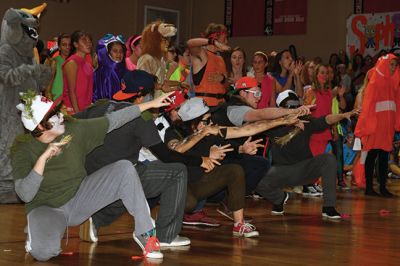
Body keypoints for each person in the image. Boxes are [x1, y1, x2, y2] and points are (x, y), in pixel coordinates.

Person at [11, 90, 174, 261]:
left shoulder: (74, 129)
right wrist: (43, 159)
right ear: (40, 127)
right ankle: (36, 230)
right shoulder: (23, 147)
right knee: (44, 253)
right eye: (53, 115)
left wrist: (150, 104)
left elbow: (113, 120)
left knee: (124, 168)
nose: (60, 116)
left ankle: (145, 234)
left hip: (79, 198)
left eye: (57, 111)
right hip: (46, 208)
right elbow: (25, 194)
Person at [77, 70, 215, 246]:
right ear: (142, 97)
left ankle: (96, 219)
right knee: (176, 172)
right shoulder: (141, 116)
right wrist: (200, 160)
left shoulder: (98, 106)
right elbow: (166, 156)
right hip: (120, 176)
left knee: (134, 173)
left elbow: (69, 125)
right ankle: (167, 236)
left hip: (90, 177)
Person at [165, 98, 259, 238]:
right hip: (180, 184)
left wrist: (241, 149)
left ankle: (239, 224)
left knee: (235, 170)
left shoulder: (208, 131)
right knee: (189, 204)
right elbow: (176, 152)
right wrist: (205, 155)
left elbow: (225, 145)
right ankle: (167, 221)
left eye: (209, 120)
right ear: (193, 122)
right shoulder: (173, 132)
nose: (210, 124)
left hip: (199, 183)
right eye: (206, 120)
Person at [255, 90, 357, 219]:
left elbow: (326, 119)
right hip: (282, 172)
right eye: (290, 106)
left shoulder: (306, 122)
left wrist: (342, 115)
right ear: (281, 108)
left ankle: (329, 207)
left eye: (296, 106)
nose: (294, 109)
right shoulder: (273, 125)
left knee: (328, 159)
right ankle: (279, 198)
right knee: (254, 178)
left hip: (305, 170)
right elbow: (254, 124)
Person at [355, 54, 400, 197]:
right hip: (376, 126)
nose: (393, 68)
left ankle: (382, 187)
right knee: (372, 155)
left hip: (387, 127)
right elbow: (368, 106)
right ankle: (369, 187)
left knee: (384, 157)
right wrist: (367, 125)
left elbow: (397, 105)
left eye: (395, 65)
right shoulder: (375, 82)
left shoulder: (394, 83)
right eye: (391, 64)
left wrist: (396, 123)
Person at [187, 23, 230, 106]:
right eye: (225, 38)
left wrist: (223, 79)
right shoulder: (202, 54)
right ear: (215, 38)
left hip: (220, 105)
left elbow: (227, 87)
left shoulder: (220, 59)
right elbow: (190, 43)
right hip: (204, 106)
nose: (226, 41)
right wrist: (214, 43)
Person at [62, 30, 94, 114]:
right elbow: (71, 91)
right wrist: (78, 114)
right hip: (73, 110)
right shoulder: (72, 62)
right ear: (75, 44)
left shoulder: (88, 65)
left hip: (84, 108)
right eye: (84, 40)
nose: (88, 43)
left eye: (89, 40)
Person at [92, 34, 127, 101]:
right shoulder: (105, 71)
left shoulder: (123, 70)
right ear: (107, 53)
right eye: (115, 51)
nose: (119, 54)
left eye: (121, 51)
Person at [44, 33, 71, 101]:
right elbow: (47, 88)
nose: (67, 47)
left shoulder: (73, 64)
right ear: (59, 47)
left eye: (69, 45)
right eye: (64, 45)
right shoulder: (54, 62)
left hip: (69, 105)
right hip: (55, 104)